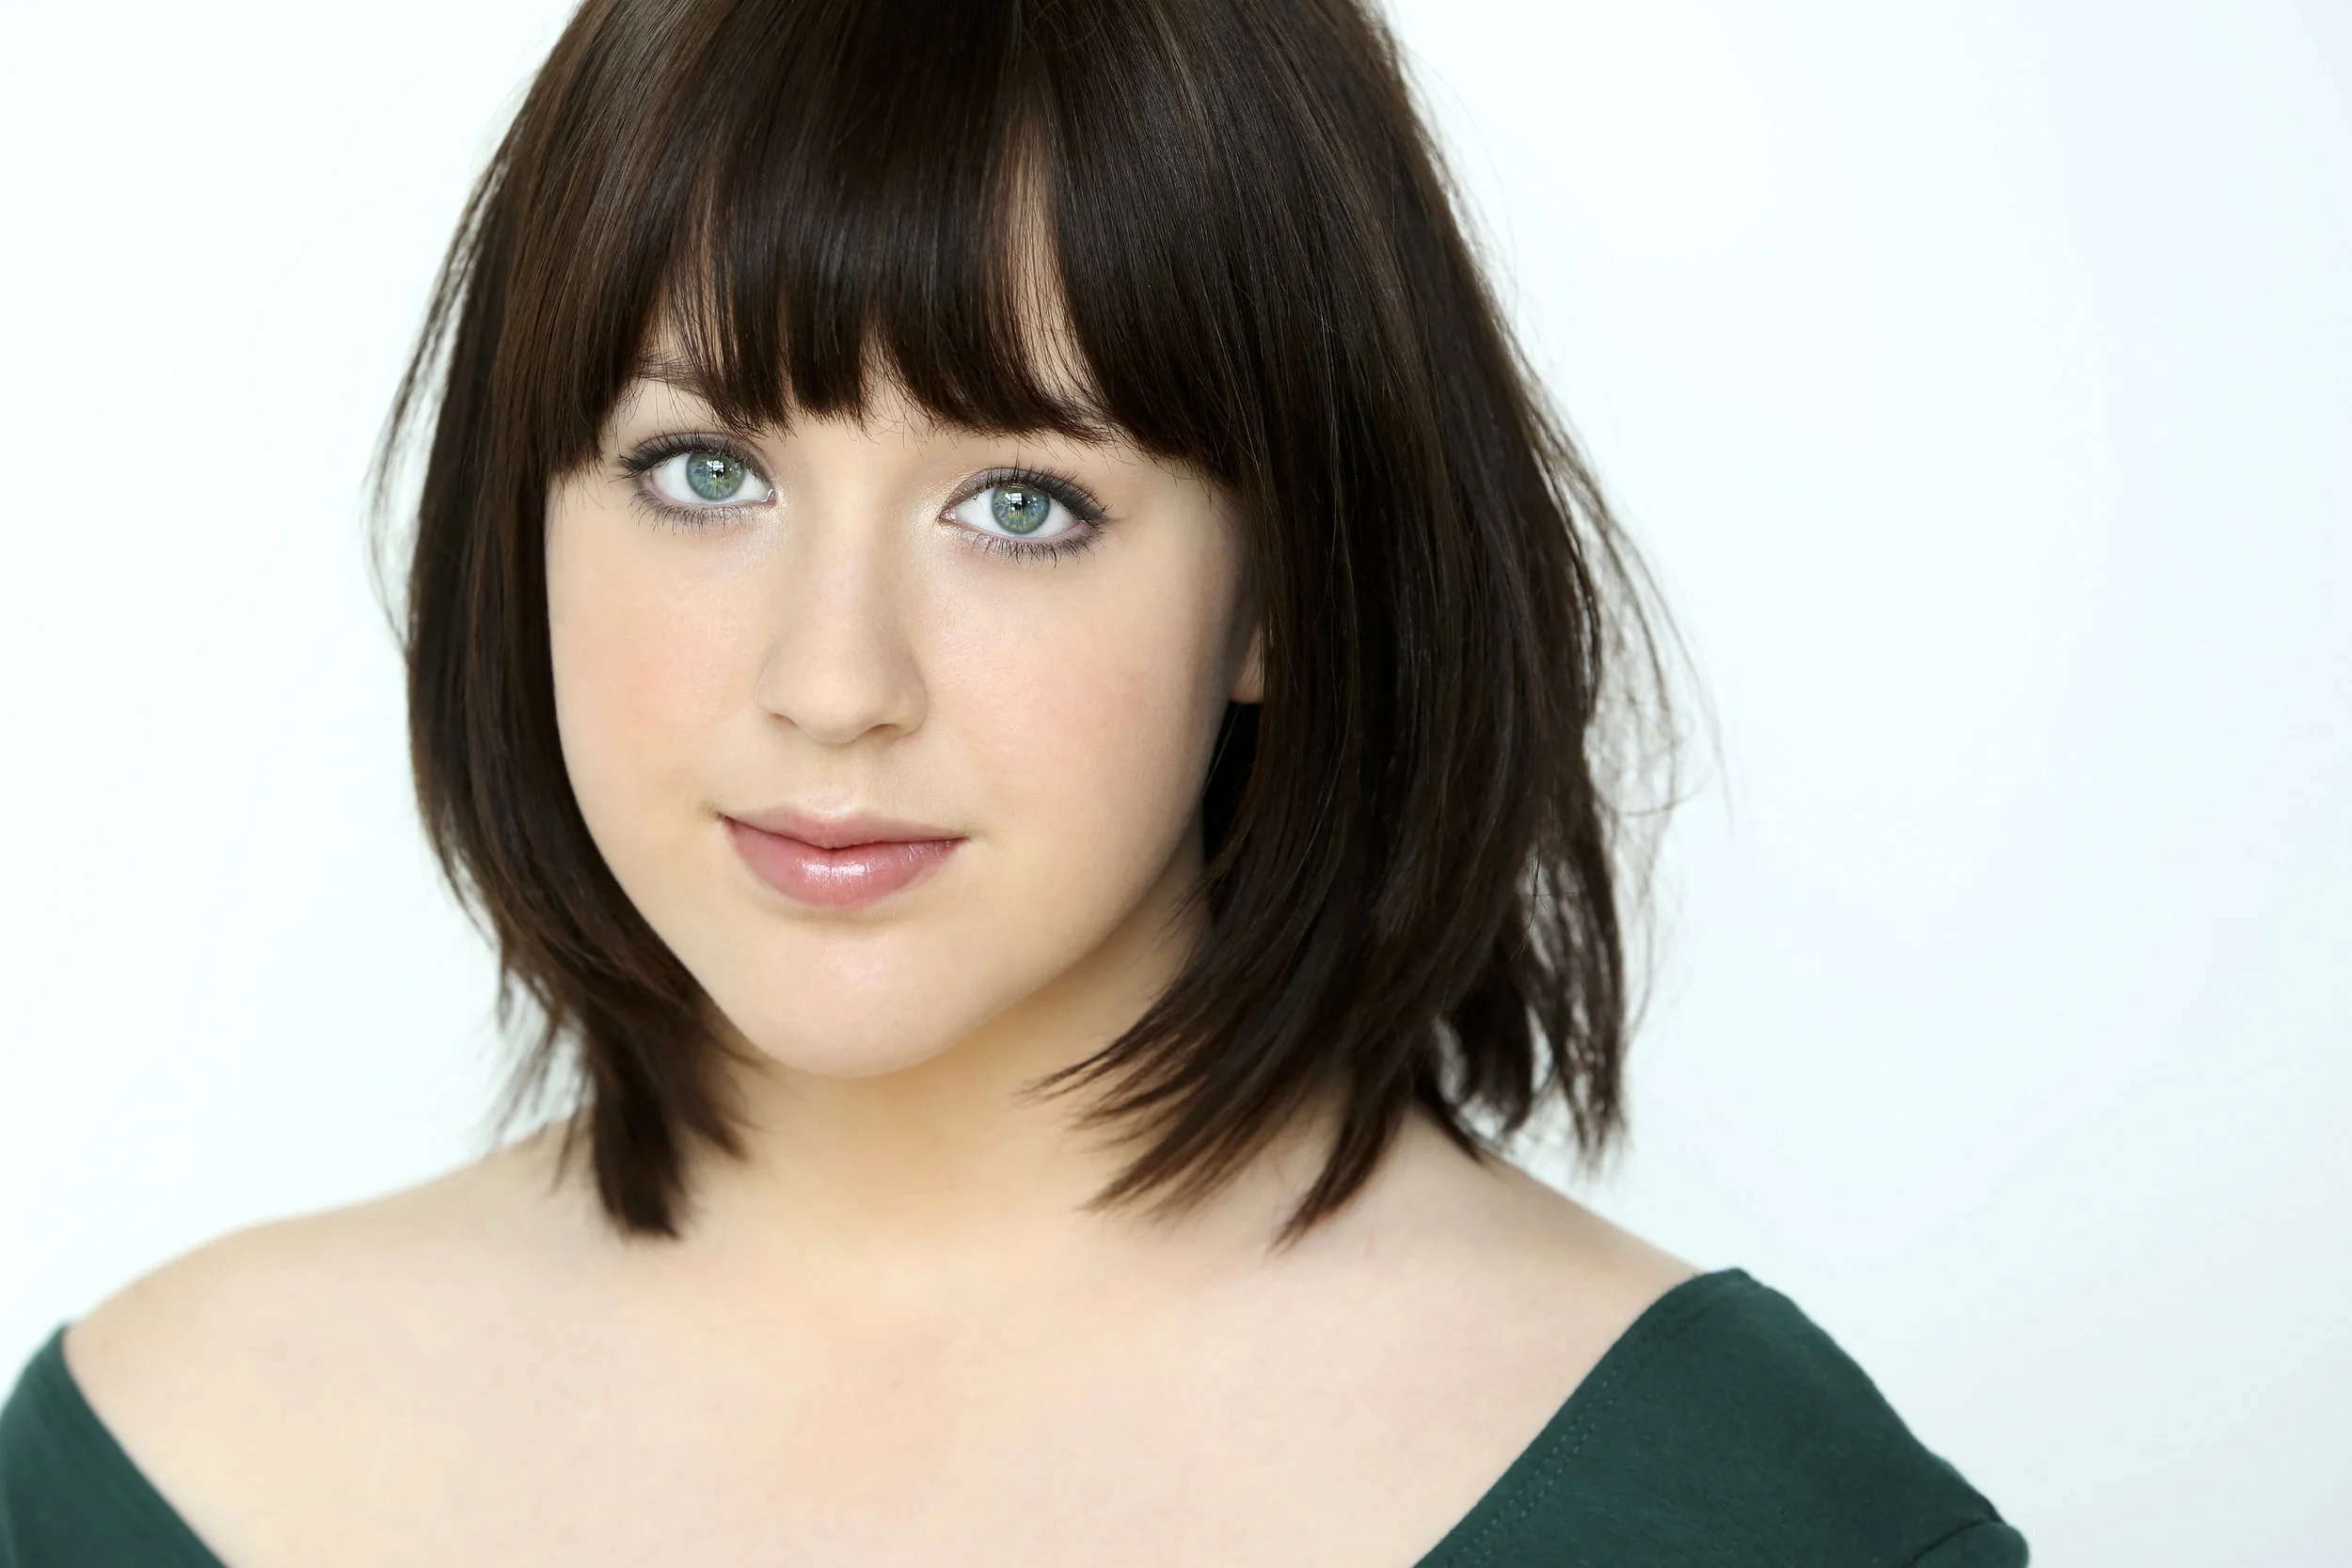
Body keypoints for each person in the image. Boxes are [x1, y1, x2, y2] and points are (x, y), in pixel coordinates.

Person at [0, 0, 2026, 1562]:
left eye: (1023, 503)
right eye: (701, 469)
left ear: (1278, 589)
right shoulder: (151, 1459)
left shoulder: (1729, 1505)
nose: (832, 684)